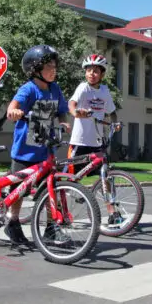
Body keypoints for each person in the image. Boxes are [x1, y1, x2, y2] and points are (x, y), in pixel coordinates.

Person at [4, 44, 71, 245]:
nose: (54, 70)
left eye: (54, 66)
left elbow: (61, 110)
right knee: (18, 191)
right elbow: (12, 107)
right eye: (49, 66)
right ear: (35, 69)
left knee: (51, 188)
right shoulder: (28, 89)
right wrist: (13, 112)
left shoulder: (55, 89)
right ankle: (13, 223)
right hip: (25, 152)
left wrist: (63, 121)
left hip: (45, 149)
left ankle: (51, 227)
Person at [67, 53, 123, 227]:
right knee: (69, 178)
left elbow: (112, 111)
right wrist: (76, 113)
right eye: (89, 70)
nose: (92, 74)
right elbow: (72, 104)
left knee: (105, 176)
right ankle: (61, 211)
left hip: (97, 142)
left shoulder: (105, 91)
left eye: (96, 71)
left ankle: (112, 212)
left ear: (102, 74)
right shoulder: (83, 88)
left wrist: (116, 123)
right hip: (80, 141)